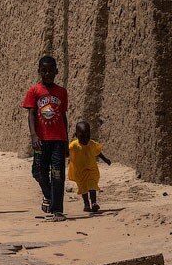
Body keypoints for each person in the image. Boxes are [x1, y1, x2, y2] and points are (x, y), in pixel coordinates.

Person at [22, 55, 69, 221]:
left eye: (50, 71)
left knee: (57, 173)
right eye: (44, 71)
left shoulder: (62, 92)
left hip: (58, 139)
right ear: (39, 71)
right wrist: (34, 135)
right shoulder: (34, 91)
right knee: (38, 171)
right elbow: (31, 114)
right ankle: (48, 195)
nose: (47, 74)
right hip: (41, 140)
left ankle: (57, 210)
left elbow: (63, 116)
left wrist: (66, 141)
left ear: (56, 71)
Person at [68, 121, 112, 213]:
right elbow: (67, 153)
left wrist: (106, 160)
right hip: (80, 172)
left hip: (92, 170)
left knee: (92, 185)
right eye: (82, 137)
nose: (85, 139)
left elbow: (98, 153)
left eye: (87, 136)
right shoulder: (74, 145)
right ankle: (86, 204)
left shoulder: (92, 144)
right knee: (83, 188)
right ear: (76, 135)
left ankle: (94, 203)